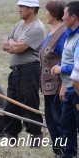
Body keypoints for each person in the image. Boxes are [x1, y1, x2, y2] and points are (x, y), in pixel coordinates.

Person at [2, 0, 46, 145]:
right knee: (11, 104)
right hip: (15, 71)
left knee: (29, 104)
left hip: (29, 70)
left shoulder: (37, 28)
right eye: (19, 6)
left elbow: (18, 49)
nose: (19, 9)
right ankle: (12, 136)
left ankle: (35, 137)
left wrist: (14, 44)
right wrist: (14, 44)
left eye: (22, 6)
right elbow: (5, 44)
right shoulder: (19, 25)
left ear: (32, 9)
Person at [51, 1, 79, 157]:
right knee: (67, 125)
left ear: (73, 17)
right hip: (69, 88)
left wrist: (61, 68)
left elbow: (77, 66)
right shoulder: (70, 36)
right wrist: (61, 66)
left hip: (77, 89)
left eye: (65, 14)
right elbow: (68, 59)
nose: (62, 17)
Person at [39, 0, 67, 155]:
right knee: (50, 121)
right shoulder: (51, 31)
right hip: (47, 85)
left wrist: (64, 84)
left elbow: (67, 57)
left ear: (54, 13)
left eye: (47, 11)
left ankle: (65, 151)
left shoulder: (63, 33)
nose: (45, 14)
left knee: (59, 120)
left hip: (58, 85)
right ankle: (57, 151)